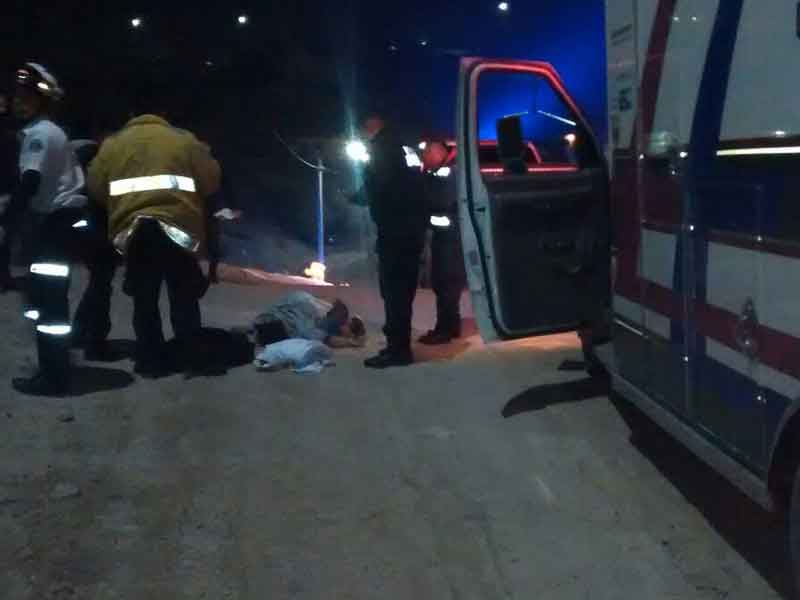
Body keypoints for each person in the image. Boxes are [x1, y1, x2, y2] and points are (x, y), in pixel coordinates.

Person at [88, 102, 221, 377]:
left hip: (135, 231)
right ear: (164, 113)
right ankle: (190, 355)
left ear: (131, 114)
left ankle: (151, 360)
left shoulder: (113, 145)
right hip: (178, 229)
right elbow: (211, 180)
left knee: (144, 299)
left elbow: (95, 187)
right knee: (183, 296)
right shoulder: (183, 140)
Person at [4, 63, 87, 395]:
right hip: (60, 223)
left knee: (48, 304)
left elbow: (30, 181)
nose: (18, 102)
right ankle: (55, 368)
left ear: (44, 100)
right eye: (17, 96)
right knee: (48, 301)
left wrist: (7, 221)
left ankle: (53, 377)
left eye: (26, 97)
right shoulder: (51, 131)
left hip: (54, 224)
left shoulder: (39, 134)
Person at [350, 114, 428, 367]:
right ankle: (398, 345)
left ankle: (398, 351)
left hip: (395, 232)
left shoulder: (382, 148)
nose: (364, 135)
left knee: (394, 293)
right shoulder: (408, 148)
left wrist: (355, 197)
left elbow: (379, 186)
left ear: (371, 127)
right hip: (411, 231)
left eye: (364, 130)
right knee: (403, 292)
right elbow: (414, 183)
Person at [418, 141, 467, 345]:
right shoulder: (444, 171)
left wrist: (423, 215)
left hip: (449, 240)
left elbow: (441, 203)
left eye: (426, 153)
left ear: (437, 153)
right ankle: (450, 326)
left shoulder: (446, 173)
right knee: (447, 286)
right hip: (448, 238)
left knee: (445, 284)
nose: (424, 158)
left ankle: (444, 330)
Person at [252, 291, 367, 348]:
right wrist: (351, 342)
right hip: (270, 327)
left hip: (267, 321)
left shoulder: (315, 304)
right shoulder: (317, 313)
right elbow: (321, 338)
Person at [0, 89, 20, 291]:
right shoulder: (10, 135)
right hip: (5, 191)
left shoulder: (10, 135)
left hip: (5, 191)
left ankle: (3, 276)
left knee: (5, 238)